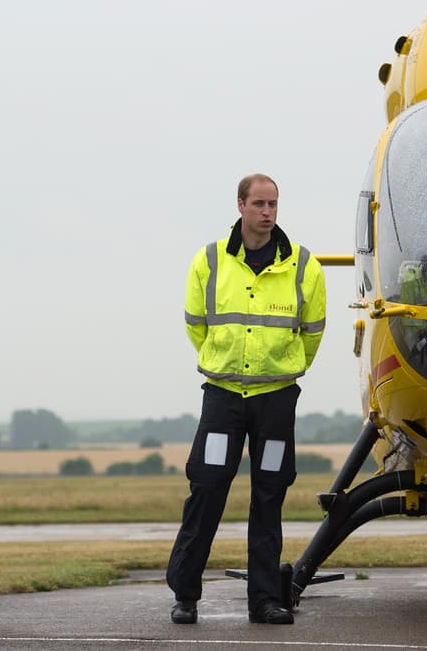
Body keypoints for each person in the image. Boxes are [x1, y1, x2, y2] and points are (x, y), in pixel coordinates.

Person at [167, 173, 326, 625]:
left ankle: (265, 601)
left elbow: (312, 333)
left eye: (273, 203)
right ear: (240, 205)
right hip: (223, 397)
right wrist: (224, 365)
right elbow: (196, 324)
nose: (268, 212)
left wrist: (283, 368)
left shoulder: (303, 265)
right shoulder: (210, 260)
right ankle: (186, 594)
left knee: (270, 495)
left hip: (276, 400)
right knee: (207, 490)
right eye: (259, 203)